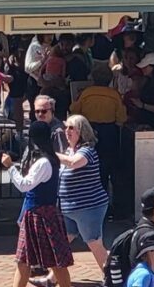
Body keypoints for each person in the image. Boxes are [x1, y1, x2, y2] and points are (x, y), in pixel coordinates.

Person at [4, 120, 72, 287]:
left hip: (38, 215)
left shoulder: (43, 163)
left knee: (53, 262)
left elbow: (24, 185)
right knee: (26, 260)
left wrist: (10, 166)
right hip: (45, 214)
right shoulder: (52, 159)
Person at [58, 114, 111, 272]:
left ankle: (112, 278)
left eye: (71, 128)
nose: (67, 131)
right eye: (66, 127)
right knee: (64, 241)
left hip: (89, 207)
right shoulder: (68, 151)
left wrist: (51, 154)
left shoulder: (87, 151)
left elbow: (74, 163)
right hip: (69, 208)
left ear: (81, 131)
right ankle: (52, 278)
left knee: (94, 243)